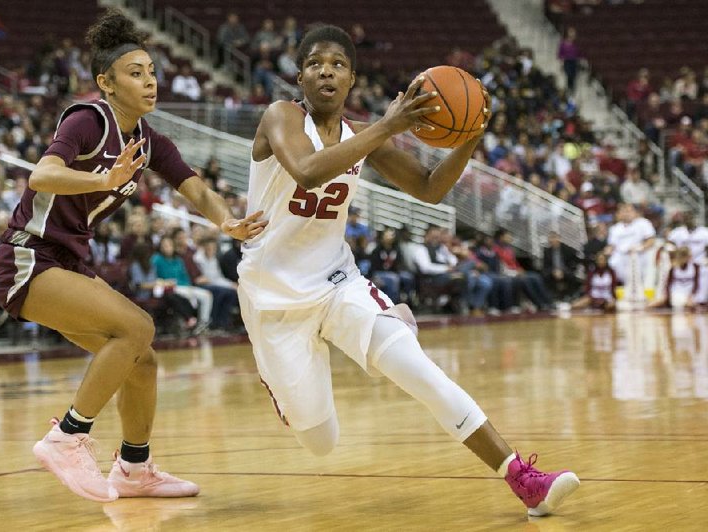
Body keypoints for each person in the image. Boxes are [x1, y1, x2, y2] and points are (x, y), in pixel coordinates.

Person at [236, 25, 579, 517]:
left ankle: (524, 480)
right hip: (273, 299)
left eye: (337, 64)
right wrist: (389, 125)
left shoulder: (361, 136)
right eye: (315, 63)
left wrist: (469, 138)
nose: (326, 71)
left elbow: (429, 187)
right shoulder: (282, 116)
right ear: (300, 77)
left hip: (338, 285)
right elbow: (309, 170)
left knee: (422, 373)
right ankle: (289, 377)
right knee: (320, 441)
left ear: (352, 77)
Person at [0, 10, 266, 503]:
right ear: (106, 83)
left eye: (153, 72)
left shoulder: (147, 140)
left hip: (69, 263)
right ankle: (68, 438)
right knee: (138, 327)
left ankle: (134, 469)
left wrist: (227, 221)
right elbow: (42, 175)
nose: (150, 81)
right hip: (28, 258)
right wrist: (102, 179)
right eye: (136, 73)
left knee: (143, 361)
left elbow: (195, 189)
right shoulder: (86, 118)